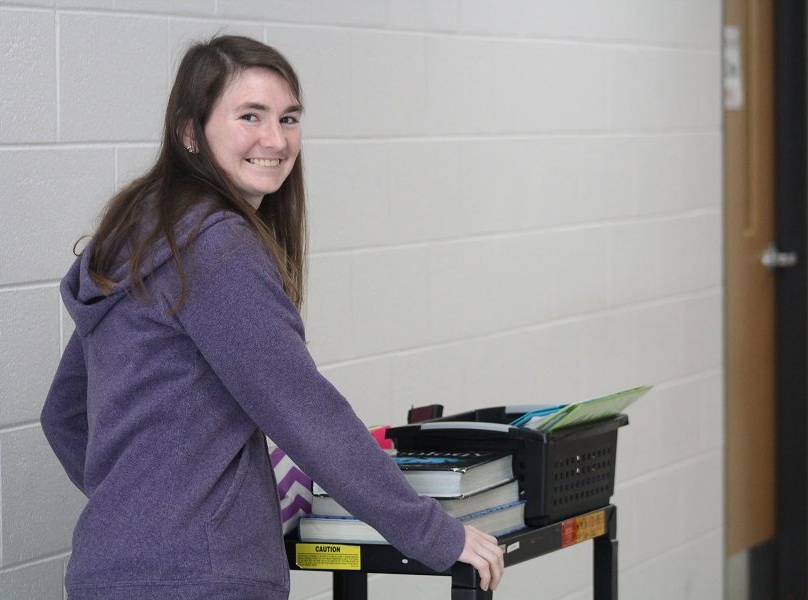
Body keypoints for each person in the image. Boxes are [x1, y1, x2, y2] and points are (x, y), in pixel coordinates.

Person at [41, 35, 504, 600]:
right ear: (190, 132)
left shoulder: (137, 236)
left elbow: (63, 413)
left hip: (108, 570)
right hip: (201, 579)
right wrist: (434, 532)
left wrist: (138, 509)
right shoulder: (215, 248)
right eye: (250, 117)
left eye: (288, 118)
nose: (276, 139)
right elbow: (307, 415)